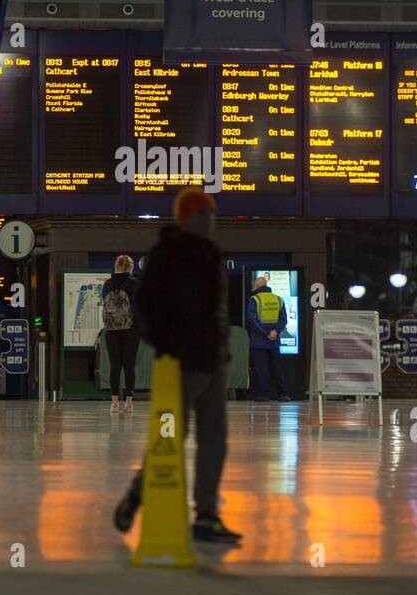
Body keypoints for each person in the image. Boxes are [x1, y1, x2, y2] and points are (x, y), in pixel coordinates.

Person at [113, 187, 241, 544]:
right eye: (203, 215)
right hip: (180, 364)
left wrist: (220, 348)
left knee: (214, 440)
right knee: (169, 438)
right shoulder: (166, 254)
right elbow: (147, 306)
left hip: (211, 361)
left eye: (211, 215)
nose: (209, 222)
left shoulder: (212, 254)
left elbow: (216, 310)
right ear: (189, 218)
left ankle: (206, 515)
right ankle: (136, 496)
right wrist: (168, 345)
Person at [102, 254, 140, 413]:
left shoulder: (107, 284)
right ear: (130, 267)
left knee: (115, 365)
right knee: (129, 366)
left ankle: (114, 403)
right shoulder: (134, 283)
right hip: (131, 329)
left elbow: (104, 302)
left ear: (116, 266)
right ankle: (129, 403)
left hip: (111, 330)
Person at [246, 272, 290, 402]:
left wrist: (266, 333)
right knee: (276, 367)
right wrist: (275, 331)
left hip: (259, 341)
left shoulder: (254, 300)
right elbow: (284, 319)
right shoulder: (278, 299)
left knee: (261, 369)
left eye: (255, 286)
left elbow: (253, 320)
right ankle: (282, 394)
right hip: (274, 341)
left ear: (258, 285)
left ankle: (264, 395)